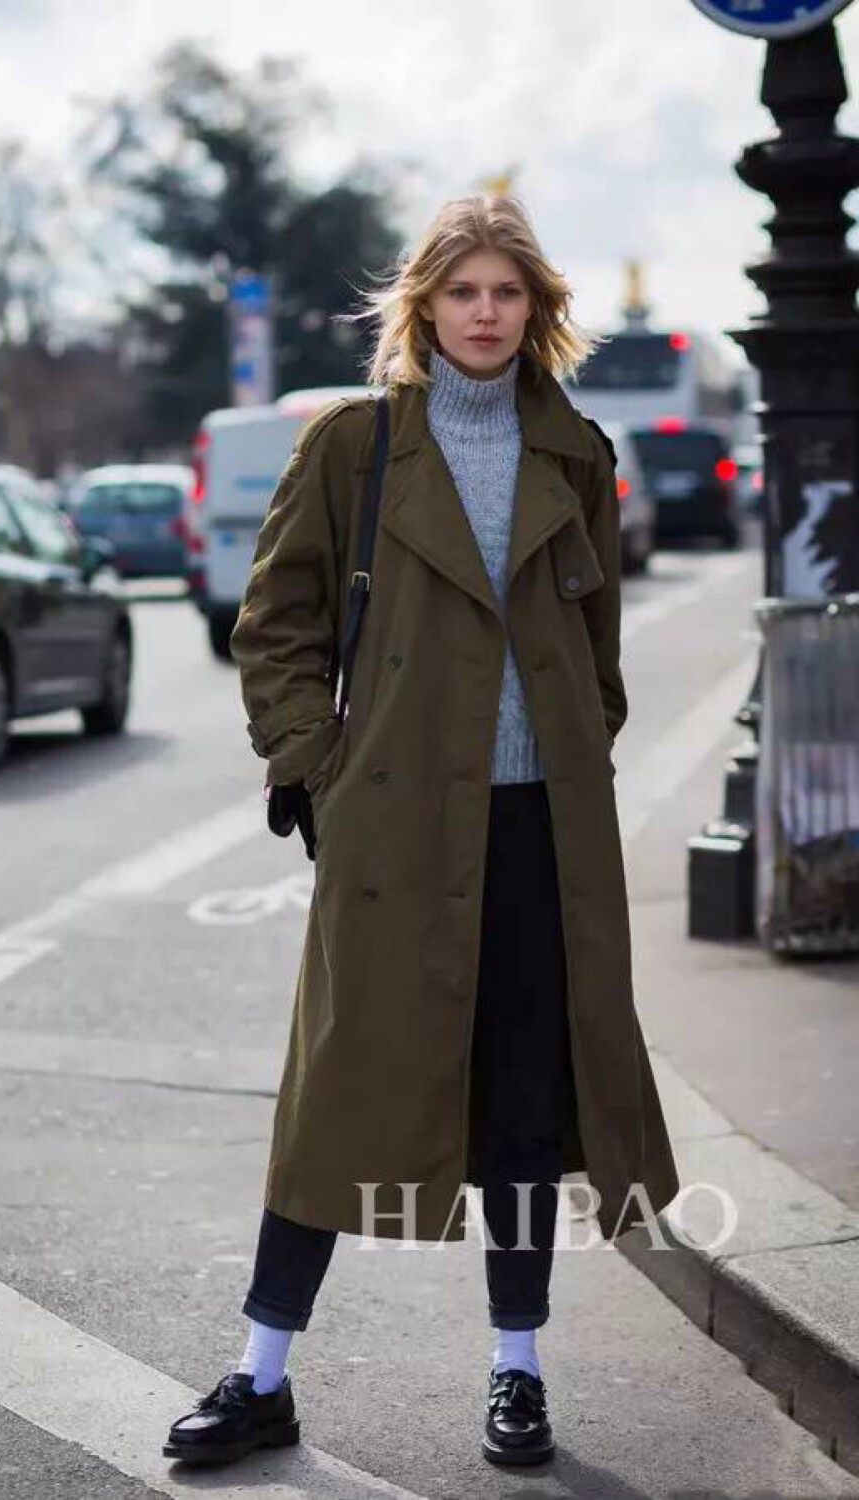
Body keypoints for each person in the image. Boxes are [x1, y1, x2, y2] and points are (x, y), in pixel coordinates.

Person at [163, 193, 680, 1472]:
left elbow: (597, 646)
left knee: (520, 1098)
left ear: (537, 310)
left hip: (542, 827)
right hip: (390, 827)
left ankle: (517, 1371)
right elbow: (273, 620)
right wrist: (316, 765)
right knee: (336, 1093)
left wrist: (581, 739)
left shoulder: (577, 450)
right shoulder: (355, 446)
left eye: (508, 293)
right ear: (425, 309)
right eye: (464, 293)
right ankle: (261, 1373)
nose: (486, 313)